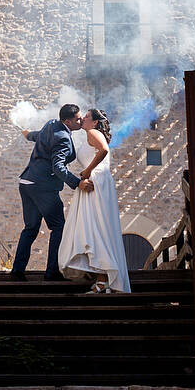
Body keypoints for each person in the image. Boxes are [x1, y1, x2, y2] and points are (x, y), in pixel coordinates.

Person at [12, 103, 94, 281]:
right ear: (67, 121)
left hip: (26, 183)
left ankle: (17, 271)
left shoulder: (51, 124)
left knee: (30, 228)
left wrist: (27, 134)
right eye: (77, 119)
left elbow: (38, 135)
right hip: (42, 187)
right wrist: (77, 183)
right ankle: (52, 272)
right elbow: (58, 167)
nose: (81, 120)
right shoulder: (63, 137)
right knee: (58, 227)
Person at [59, 108, 131, 293]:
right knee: (94, 227)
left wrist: (88, 170)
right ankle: (101, 276)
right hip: (96, 181)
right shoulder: (90, 134)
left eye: (87, 116)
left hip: (95, 182)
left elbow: (104, 150)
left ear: (95, 122)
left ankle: (103, 277)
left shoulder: (93, 132)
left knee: (95, 228)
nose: (83, 118)